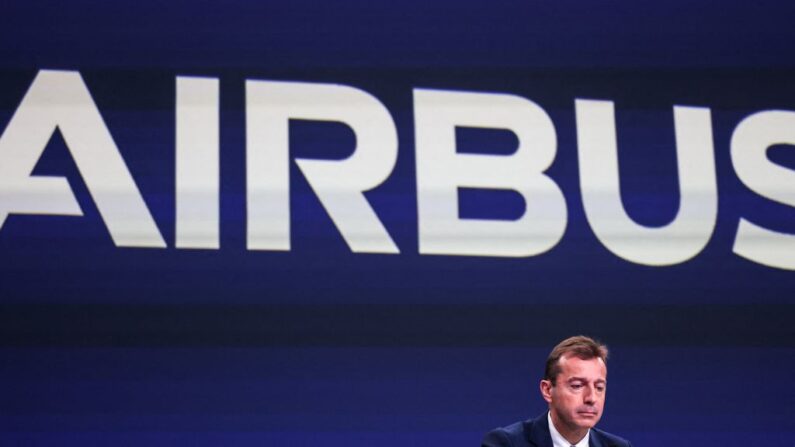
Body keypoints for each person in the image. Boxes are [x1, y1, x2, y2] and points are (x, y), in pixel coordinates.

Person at [482, 335, 632, 447]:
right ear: (547, 390)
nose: (591, 398)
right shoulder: (506, 444)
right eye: (577, 386)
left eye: (599, 387)